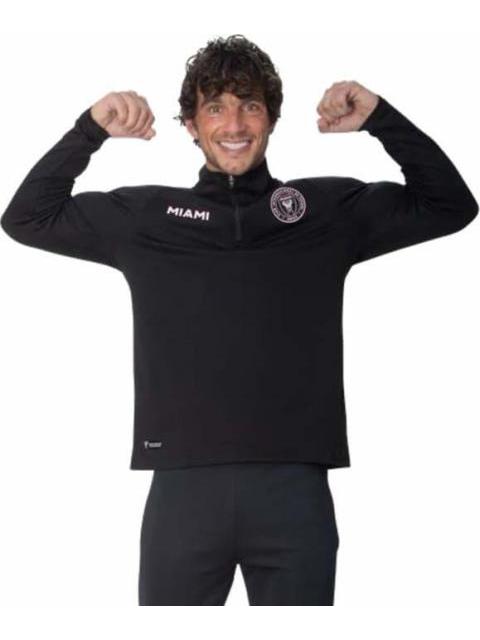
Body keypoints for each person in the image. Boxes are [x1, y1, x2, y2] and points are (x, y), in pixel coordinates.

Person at [1, 34, 477, 606]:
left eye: (250, 105)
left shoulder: (323, 212)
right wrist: (91, 129)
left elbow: (451, 205)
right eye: (215, 107)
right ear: (190, 124)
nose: (234, 124)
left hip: (295, 492)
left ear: (271, 118)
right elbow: (26, 217)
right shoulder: (148, 217)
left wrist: (380, 117)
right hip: (182, 492)